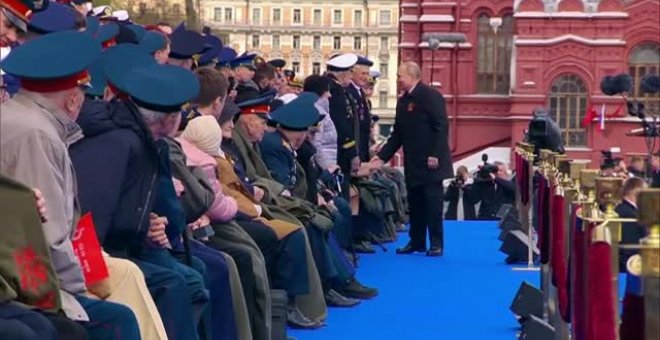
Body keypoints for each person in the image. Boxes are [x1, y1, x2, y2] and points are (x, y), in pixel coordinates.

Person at [0, 31, 140, 339]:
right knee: (119, 320)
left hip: (22, 273)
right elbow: (49, 235)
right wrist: (80, 293)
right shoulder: (37, 135)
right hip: (31, 281)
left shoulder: (23, 118)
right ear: (74, 97)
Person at [369, 61, 453, 257]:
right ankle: (416, 242)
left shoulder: (430, 96)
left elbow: (441, 127)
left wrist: (435, 153)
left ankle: (436, 244)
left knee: (433, 204)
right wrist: (381, 158)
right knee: (415, 204)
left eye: (400, 76)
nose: (398, 79)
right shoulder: (404, 101)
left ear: (412, 76)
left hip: (432, 161)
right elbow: (397, 134)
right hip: (413, 161)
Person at [615, 177, 648, 272]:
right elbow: (630, 247)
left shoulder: (627, 210)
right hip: (630, 269)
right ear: (636, 192)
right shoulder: (628, 214)